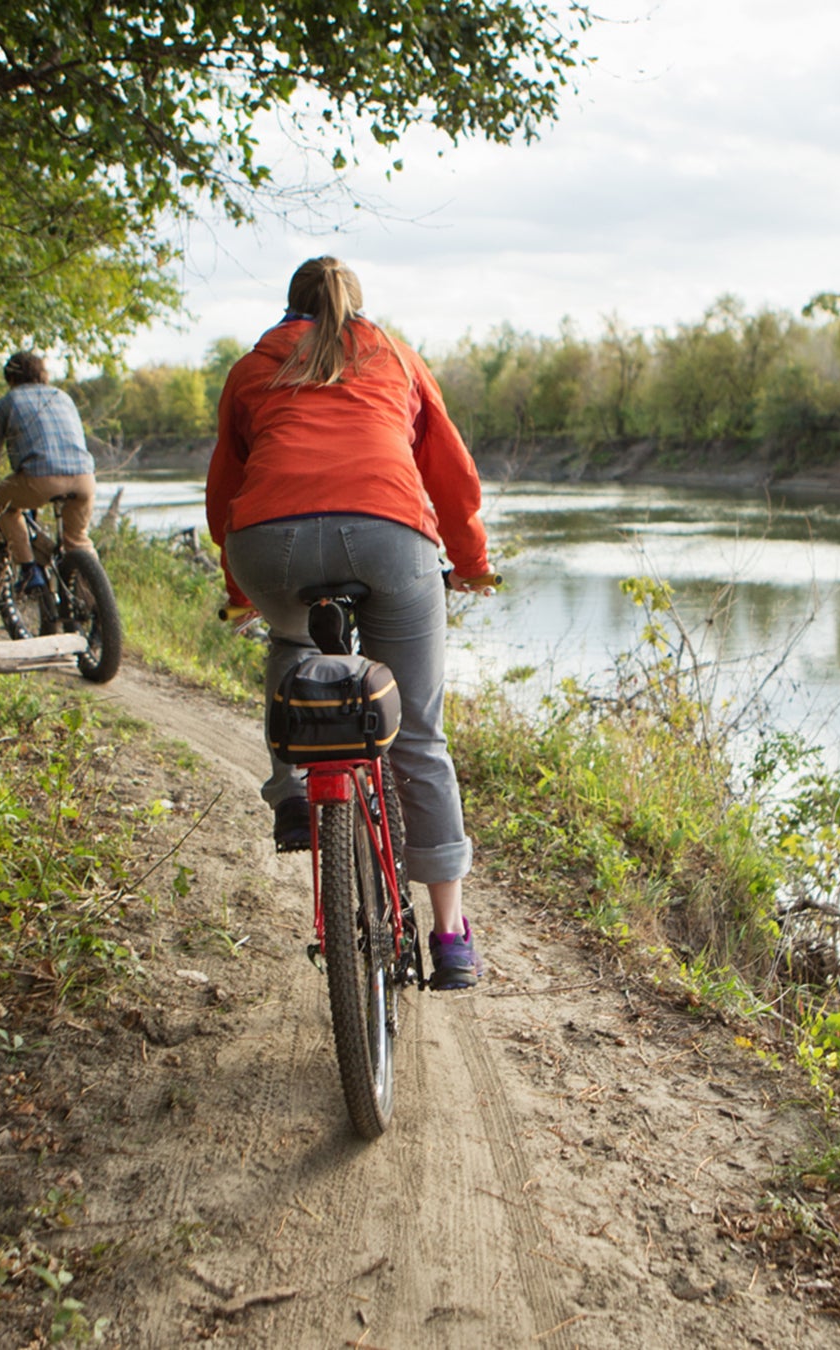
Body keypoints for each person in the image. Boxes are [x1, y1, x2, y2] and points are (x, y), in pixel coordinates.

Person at [206, 256, 493, 991]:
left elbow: (226, 491)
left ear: (288, 307)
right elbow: (451, 473)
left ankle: (295, 795)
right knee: (421, 735)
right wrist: (470, 561)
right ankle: (451, 936)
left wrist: (244, 587)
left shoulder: (252, 367)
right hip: (390, 535)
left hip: (271, 541)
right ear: (356, 307)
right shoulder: (393, 353)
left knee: (292, 638)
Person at [0, 351, 97, 592]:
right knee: (77, 541)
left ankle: (29, 570)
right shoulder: (63, 397)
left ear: (10, 378)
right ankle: (100, 612)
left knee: (2, 503)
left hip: (40, 479)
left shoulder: (7, 403)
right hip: (84, 478)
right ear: (42, 374)